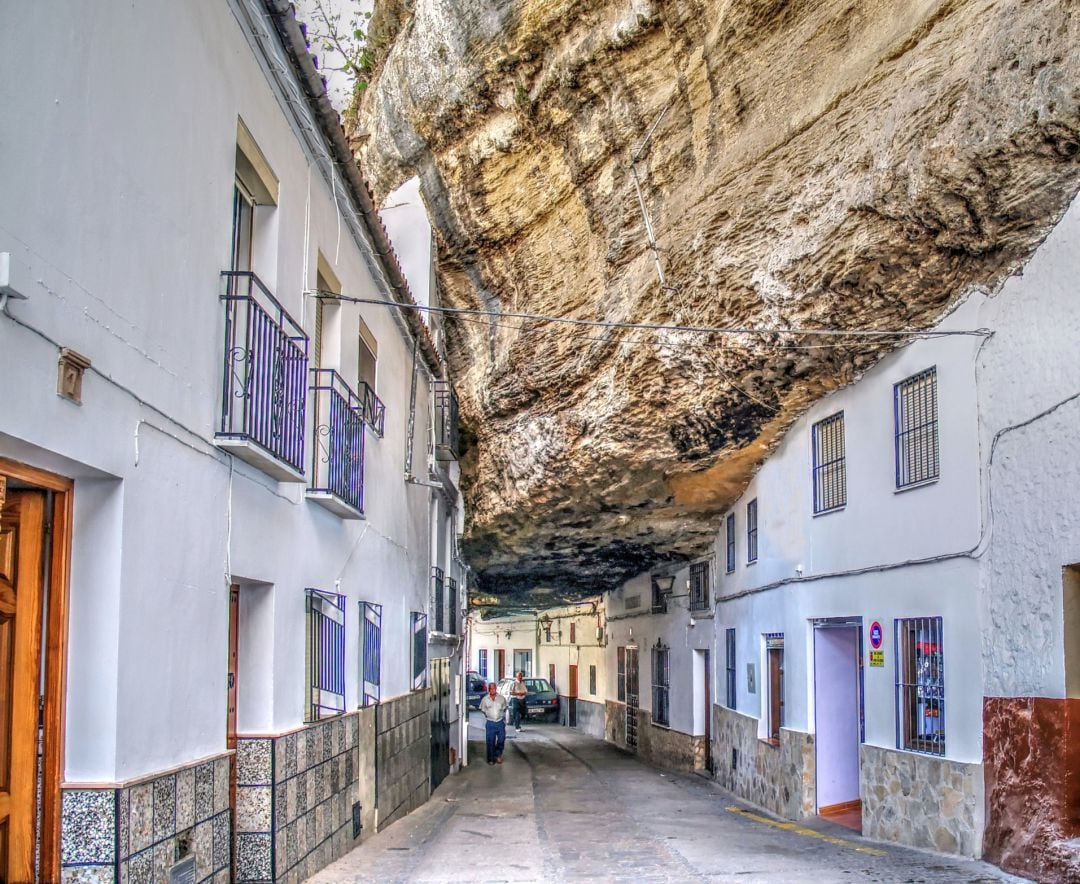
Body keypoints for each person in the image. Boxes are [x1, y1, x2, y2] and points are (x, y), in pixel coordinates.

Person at [479, 681, 508, 764]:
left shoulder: (501, 698)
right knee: (490, 741)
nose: (492, 690)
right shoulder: (485, 699)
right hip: (490, 723)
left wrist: (501, 716)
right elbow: (483, 710)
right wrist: (489, 715)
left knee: (501, 739)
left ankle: (498, 755)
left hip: (500, 722)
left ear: (496, 689)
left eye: (494, 688)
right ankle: (491, 759)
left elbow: (505, 708)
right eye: (491, 688)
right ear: (489, 690)